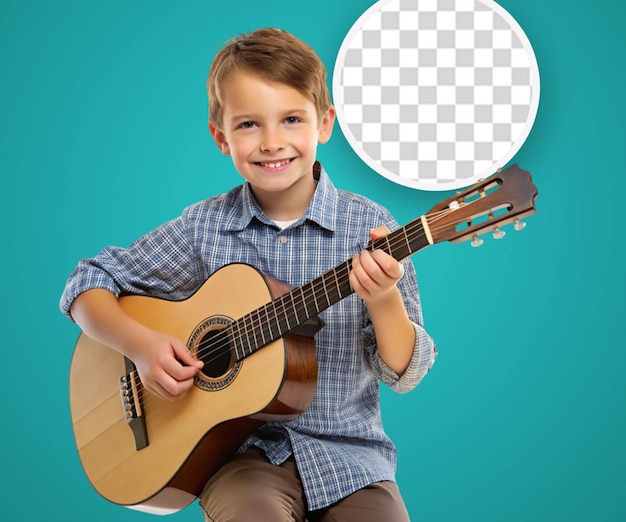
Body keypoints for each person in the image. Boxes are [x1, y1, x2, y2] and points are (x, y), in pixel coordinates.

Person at [60, 27, 437, 521]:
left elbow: (403, 374)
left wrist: (384, 298)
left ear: (325, 124)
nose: (272, 142)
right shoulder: (204, 228)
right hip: (238, 460)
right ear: (221, 137)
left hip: (352, 461)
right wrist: (140, 347)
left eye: (291, 119)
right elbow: (86, 283)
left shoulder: (369, 228)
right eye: (248, 125)